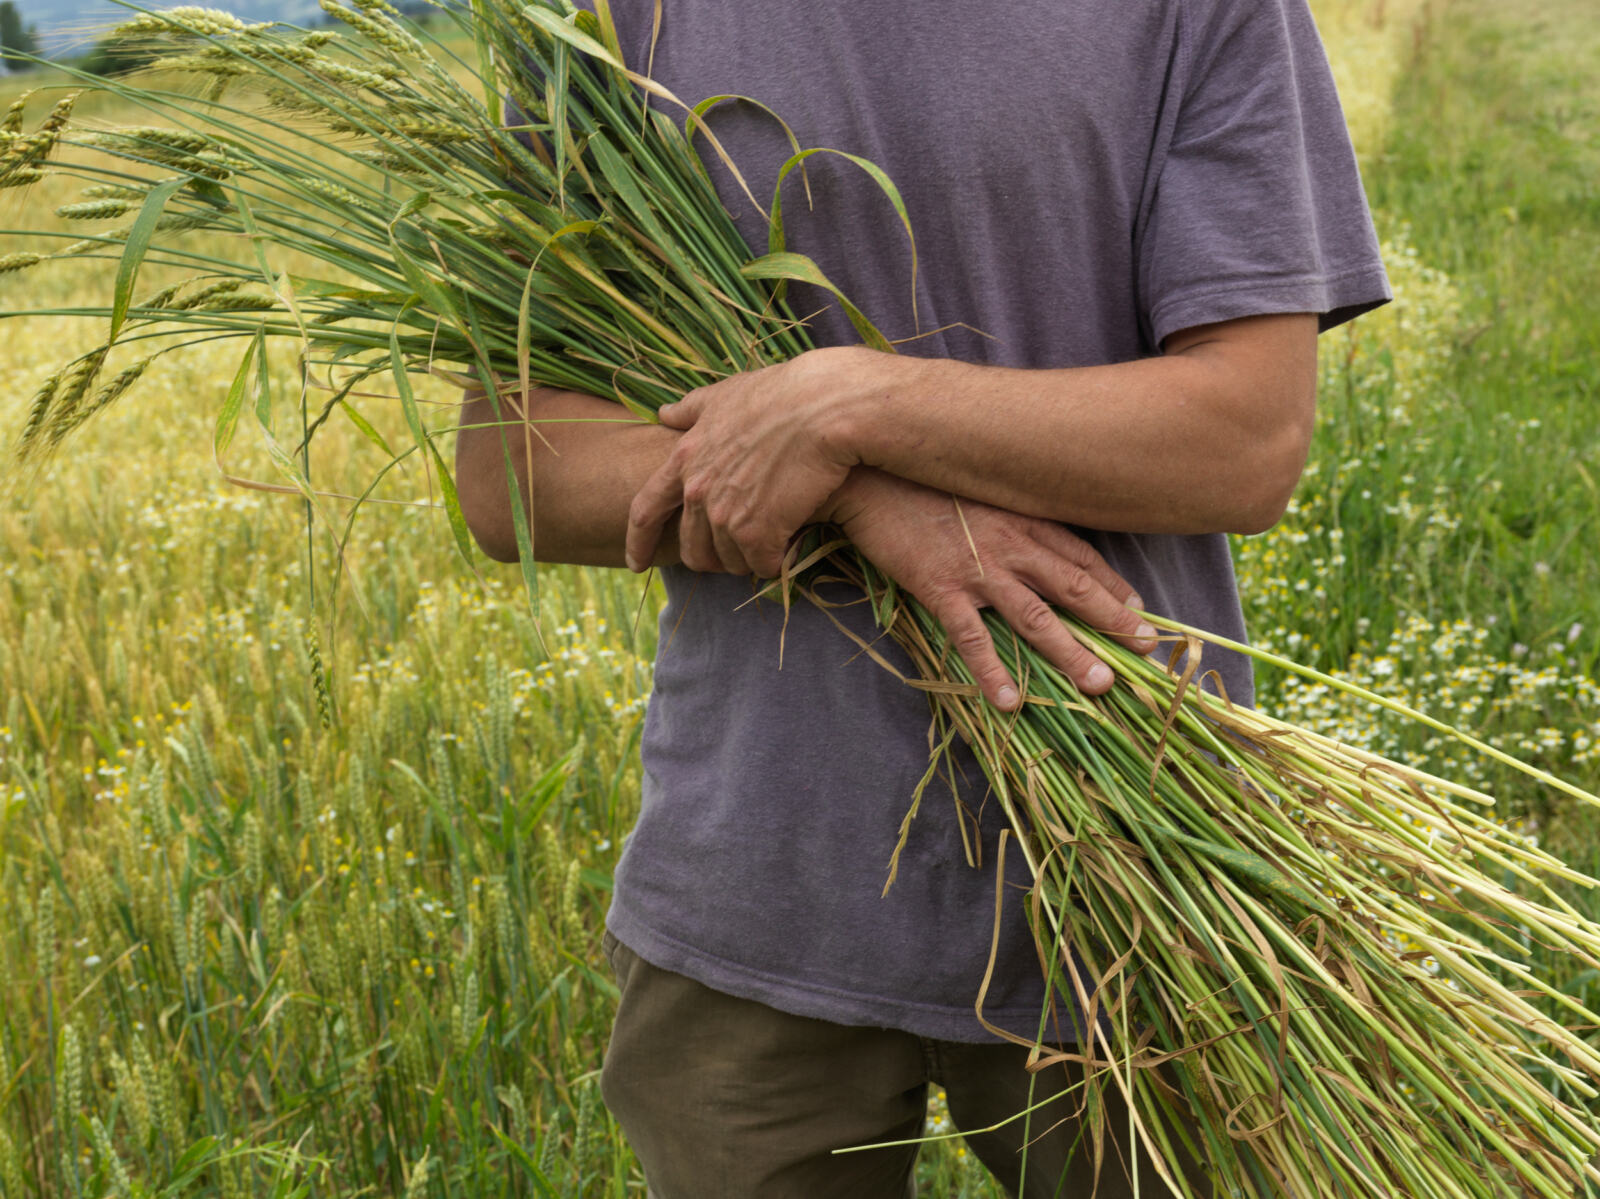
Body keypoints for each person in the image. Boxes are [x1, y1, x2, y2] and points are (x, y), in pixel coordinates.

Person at [455, 0, 1391, 1194]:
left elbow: (1246, 438)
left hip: (1143, 885)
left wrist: (858, 408)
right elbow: (515, 474)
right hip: (758, 884)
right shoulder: (606, 19)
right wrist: (859, 495)